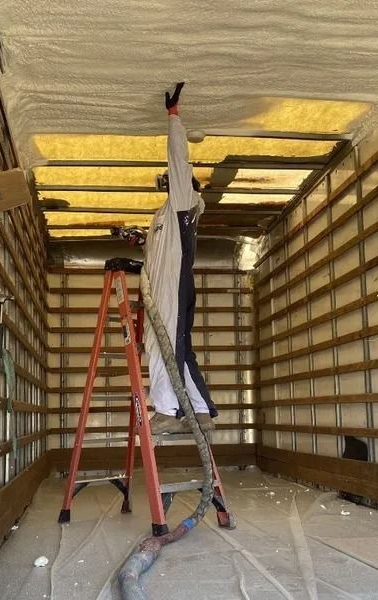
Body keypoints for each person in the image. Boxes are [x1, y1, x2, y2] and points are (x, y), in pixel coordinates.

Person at [141, 82, 218, 435]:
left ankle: (168, 411)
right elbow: (153, 250)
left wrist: (174, 118)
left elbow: (177, 161)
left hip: (173, 287)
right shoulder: (161, 218)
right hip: (164, 288)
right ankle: (200, 410)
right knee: (178, 348)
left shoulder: (182, 206)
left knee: (162, 344)